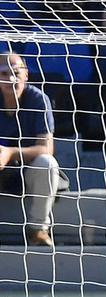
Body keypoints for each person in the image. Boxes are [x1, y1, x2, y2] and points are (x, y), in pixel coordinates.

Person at [0, 52, 59, 247]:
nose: (10, 79)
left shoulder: (38, 100)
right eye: (3, 73)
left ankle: (38, 230)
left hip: (27, 170)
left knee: (47, 163)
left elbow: (46, 148)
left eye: (16, 72)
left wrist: (10, 153)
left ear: (26, 75)